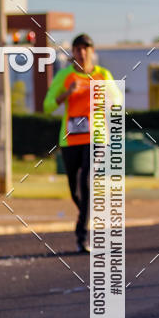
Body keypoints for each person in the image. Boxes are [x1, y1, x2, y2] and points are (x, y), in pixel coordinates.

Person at [43, 34, 117, 253]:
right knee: (75, 190)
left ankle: (81, 236)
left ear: (92, 52)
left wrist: (105, 100)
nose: (82, 53)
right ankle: (86, 211)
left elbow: (117, 102)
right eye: (77, 49)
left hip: (96, 138)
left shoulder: (103, 75)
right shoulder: (65, 76)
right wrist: (67, 93)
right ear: (73, 53)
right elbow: (47, 106)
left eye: (86, 49)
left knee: (86, 180)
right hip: (70, 138)